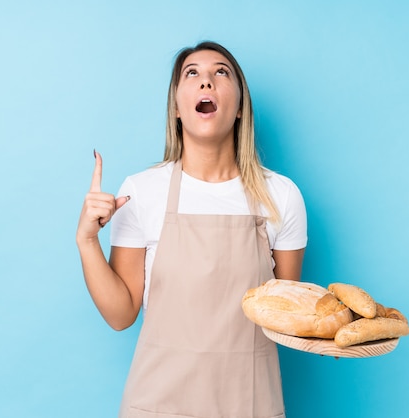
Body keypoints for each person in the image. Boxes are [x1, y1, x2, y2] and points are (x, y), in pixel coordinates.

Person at [76, 41, 307, 418]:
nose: (206, 82)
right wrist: (86, 241)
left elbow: (287, 318)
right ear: (176, 108)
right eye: (192, 74)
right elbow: (121, 315)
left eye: (221, 72)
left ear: (239, 109)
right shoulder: (141, 192)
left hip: (249, 405)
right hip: (157, 404)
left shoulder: (281, 196)